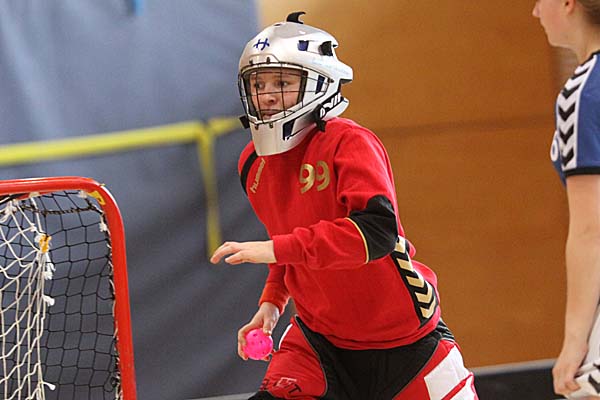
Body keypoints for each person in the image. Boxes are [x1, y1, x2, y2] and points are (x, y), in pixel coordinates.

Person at [210, 11, 478, 400]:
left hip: (406, 345)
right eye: (258, 83)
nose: (266, 95)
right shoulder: (252, 162)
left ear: (319, 82)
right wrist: (271, 302)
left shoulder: (349, 143)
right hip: (319, 343)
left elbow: (376, 232)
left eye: (282, 83)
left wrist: (276, 249)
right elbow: (287, 244)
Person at [533, 0, 600, 398]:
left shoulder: (585, 92)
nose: (536, 12)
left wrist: (574, 341)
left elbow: (592, 229)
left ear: (568, 3)